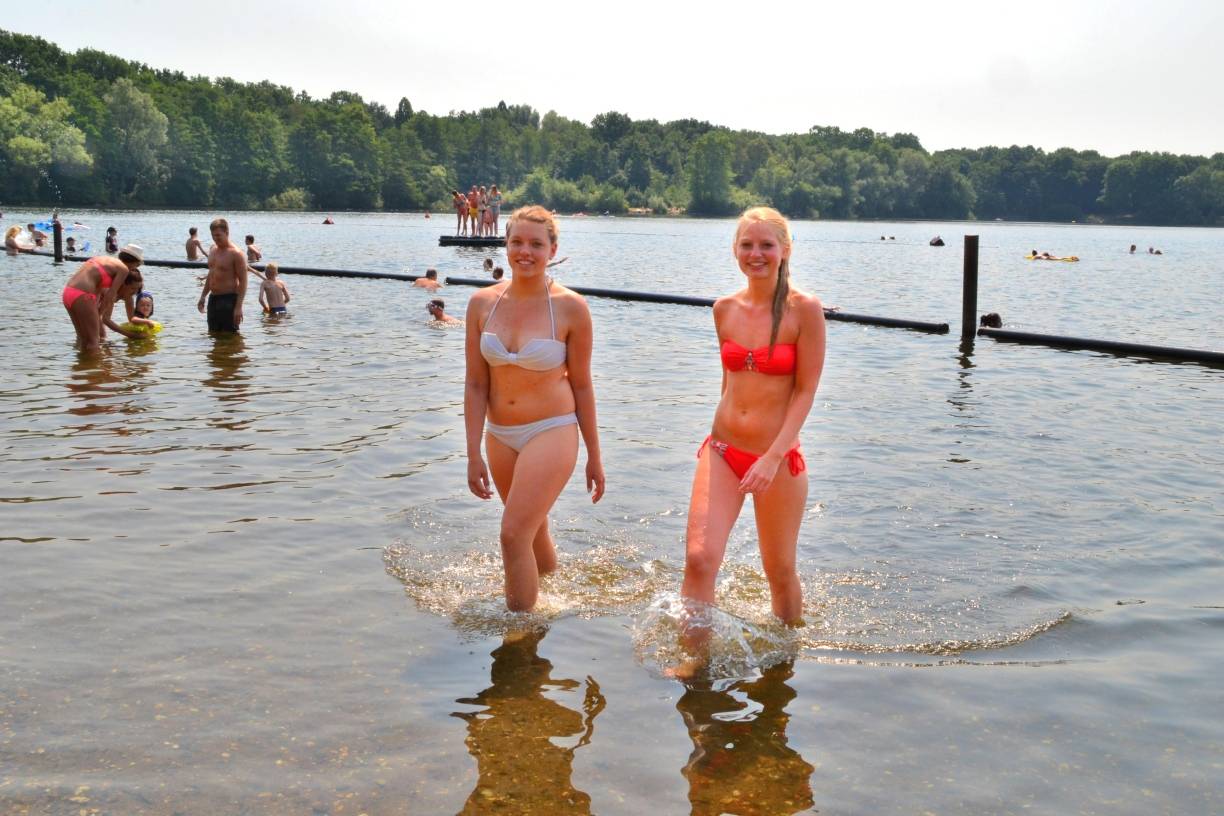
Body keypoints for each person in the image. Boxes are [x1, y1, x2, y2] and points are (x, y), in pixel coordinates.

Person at [681, 206, 826, 639]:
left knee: (779, 570)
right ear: (735, 251)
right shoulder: (723, 309)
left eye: (766, 245)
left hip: (777, 457)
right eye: (747, 245)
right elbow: (730, 384)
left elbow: (805, 391)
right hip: (723, 450)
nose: (756, 254)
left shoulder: (805, 310)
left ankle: (784, 660)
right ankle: (694, 662)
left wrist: (772, 456)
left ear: (785, 249)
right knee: (700, 559)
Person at [464, 205, 605, 611]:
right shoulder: (481, 304)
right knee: (532, 530)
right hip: (501, 435)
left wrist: (594, 455)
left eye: (536, 244)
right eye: (517, 242)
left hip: (552, 429)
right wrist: (472, 452)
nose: (525, 252)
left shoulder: (571, 307)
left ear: (553, 249)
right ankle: (553, 599)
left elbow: (581, 383)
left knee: (512, 534)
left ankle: (520, 642)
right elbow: (475, 383)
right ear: (505, 246)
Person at [61, 245, 146, 350]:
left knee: (82, 338)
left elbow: (97, 288)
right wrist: (99, 315)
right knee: (94, 341)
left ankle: (80, 365)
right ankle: (93, 365)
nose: (134, 269)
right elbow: (110, 296)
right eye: (136, 266)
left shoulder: (102, 260)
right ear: (134, 262)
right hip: (83, 295)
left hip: (68, 293)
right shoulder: (123, 269)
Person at [197, 218, 248, 332]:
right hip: (213, 299)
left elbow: (244, 282)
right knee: (213, 334)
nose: (215, 238)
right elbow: (211, 274)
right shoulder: (213, 250)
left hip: (229, 300)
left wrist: (238, 307)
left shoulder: (236, 253)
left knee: (230, 336)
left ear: (227, 233)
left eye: (218, 235)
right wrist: (203, 296)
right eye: (213, 235)